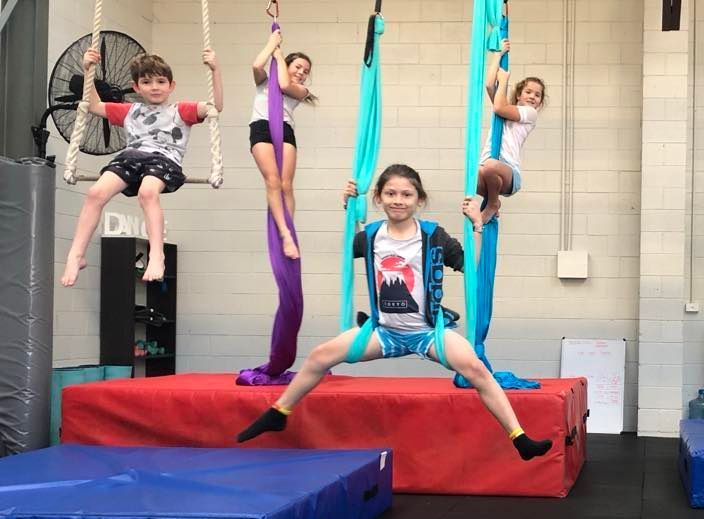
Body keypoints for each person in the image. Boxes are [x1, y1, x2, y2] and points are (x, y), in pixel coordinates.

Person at [237, 164, 554, 461]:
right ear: (379, 197)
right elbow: (350, 244)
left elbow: (468, 266)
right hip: (383, 332)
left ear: (419, 200)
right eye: (390, 194)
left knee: (477, 370)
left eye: (406, 195)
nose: (398, 201)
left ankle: (519, 438)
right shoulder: (371, 236)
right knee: (320, 355)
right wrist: (349, 208)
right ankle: (280, 413)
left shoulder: (433, 236)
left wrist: (477, 224)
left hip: (428, 333)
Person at [61, 48, 223, 286]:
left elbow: (215, 107)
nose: (154, 87)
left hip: (164, 159)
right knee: (95, 193)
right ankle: (76, 255)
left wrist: (215, 69)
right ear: (136, 87)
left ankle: (156, 255)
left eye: (160, 81)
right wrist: (88, 70)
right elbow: (94, 105)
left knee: (148, 193)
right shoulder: (129, 111)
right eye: (146, 82)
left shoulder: (181, 110)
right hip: (131, 158)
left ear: (171, 85)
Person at [461, 39, 546, 231]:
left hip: (509, 174)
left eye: (537, 95)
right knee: (472, 178)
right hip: (490, 175)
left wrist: (505, 80)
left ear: (539, 103)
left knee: (490, 165)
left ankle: (492, 204)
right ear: (519, 95)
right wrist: (497, 55)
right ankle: (493, 200)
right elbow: (490, 85)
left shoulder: (530, 114)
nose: (532, 96)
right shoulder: (507, 109)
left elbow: (499, 106)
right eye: (528, 92)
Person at [249, 28, 316, 260]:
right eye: (297, 67)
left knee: (287, 184)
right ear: (287, 66)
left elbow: (285, 86)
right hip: (261, 127)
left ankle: (289, 228)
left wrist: (278, 55)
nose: (302, 73)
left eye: (306, 71)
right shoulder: (264, 83)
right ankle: (284, 233)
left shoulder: (301, 91)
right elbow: (257, 66)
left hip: (285, 130)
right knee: (273, 181)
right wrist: (272, 45)